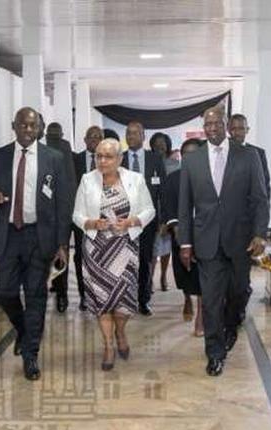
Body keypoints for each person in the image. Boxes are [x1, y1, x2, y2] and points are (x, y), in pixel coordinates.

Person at [0, 107, 74, 381]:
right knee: (4, 291)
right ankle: (23, 330)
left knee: (36, 296)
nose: (28, 130)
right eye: (23, 125)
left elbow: (63, 203)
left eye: (33, 126)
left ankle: (31, 354)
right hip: (8, 236)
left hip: (39, 236)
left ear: (39, 128)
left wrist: (62, 243)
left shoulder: (53, 158)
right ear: (14, 126)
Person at [177, 105, 269, 377]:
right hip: (206, 241)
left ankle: (231, 326)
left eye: (217, 123)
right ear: (203, 127)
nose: (212, 128)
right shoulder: (193, 160)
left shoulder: (248, 155)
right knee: (211, 300)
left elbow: (259, 198)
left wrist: (260, 233)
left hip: (240, 240)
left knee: (239, 292)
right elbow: (185, 204)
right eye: (208, 124)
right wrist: (185, 242)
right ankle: (214, 353)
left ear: (226, 125)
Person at [72, 138, 155, 371]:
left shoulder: (135, 179)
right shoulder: (87, 180)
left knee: (124, 302)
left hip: (125, 250)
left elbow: (150, 209)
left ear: (119, 159)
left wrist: (132, 221)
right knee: (102, 301)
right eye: (98, 156)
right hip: (96, 250)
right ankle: (108, 346)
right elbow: (76, 215)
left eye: (108, 156)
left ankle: (121, 331)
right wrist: (90, 222)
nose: (102, 161)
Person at [228, 113, 271, 325]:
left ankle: (239, 308)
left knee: (241, 278)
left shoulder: (257, 154)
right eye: (233, 128)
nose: (237, 132)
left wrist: (260, 231)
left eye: (241, 128)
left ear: (247, 130)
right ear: (228, 130)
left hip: (246, 227)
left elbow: (264, 194)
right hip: (224, 225)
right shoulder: (221, 153)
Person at [121, 122, 166, 315]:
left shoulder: (155, 159)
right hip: (123, 221)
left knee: (145, 261)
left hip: (147, 221)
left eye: (135, 133)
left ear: (143, 135)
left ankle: (143, 299)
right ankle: (124, 298)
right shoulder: (119, 159)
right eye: (128, 134)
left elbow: (162, 191)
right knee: (123, 261)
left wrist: (163, 220)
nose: (131, 137)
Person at [162, 138, 203, 336]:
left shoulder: (210, 177)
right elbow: (168, 205)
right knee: (184, 273)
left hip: (205, 234)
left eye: (194, 154)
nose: (189, 158)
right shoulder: (173, 178)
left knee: (205, 275)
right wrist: (176, 229)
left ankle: (201, 318)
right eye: (185, 154)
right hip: (181, 234)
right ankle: (187, 297)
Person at [45, 122, 78, 313]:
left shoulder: (65, 149)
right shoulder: (41, 150)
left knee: (61, 252)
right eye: (51, 135)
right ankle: (56, 289)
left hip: (63, 212)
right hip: (44, 214)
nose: (54, 139)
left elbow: (70, 184)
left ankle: (62, 294)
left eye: (57, 135)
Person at [72, 126, 104, 311]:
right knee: (81, 257)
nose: (95, 140)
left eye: (99, 137)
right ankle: (85, 296)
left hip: (105, 217)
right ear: (85, 140)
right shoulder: (74, 160)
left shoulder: (111, 161)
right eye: (91, 137)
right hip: (81, 219)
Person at [149, 132, 177, 292]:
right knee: (153, 247)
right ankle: (150, 279)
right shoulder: (150, 162)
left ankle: (164, 276)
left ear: (168, 146)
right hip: (153, 211)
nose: (160, 146)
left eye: (163, 143)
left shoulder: (174, 164)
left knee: (166, 247)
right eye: (157, 143)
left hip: (169, 211)